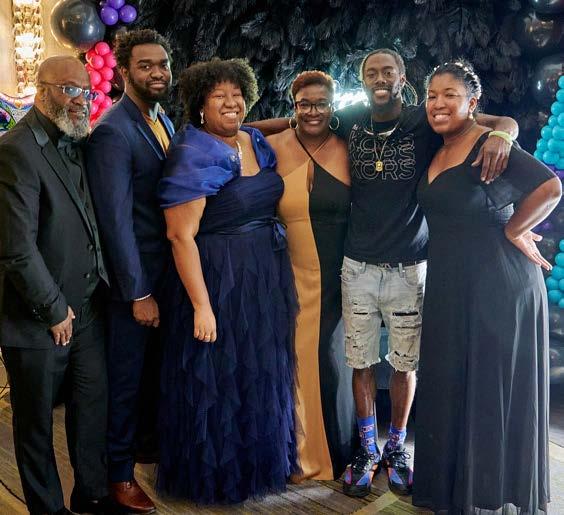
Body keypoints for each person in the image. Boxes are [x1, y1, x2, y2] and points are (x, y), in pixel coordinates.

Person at [332, 49, 518, 498]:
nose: (380, 78)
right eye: (371, 72)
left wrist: (503, 136)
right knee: (360, 361)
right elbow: (297, 121)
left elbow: (499, 121)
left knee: (404, 363)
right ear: (363, 79)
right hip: (357, 265)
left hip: (410, 267)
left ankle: (396, 447)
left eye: (388, 72)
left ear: (402, 78)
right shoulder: (350, 119)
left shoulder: (424, 120)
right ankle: (367, 449)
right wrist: (238, 129)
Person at [413, 60, 560, 514]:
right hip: (452, 280)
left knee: (488, 389)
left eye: (450, 95)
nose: (438, 103)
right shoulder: (438, 144)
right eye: (432, 95)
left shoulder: (486, 144)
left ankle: (491, 492)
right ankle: (456, 488)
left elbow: (551, 187)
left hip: (497, 283)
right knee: (454, 383)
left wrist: (516, 228)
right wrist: (505, 128)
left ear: (472, 102)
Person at [156, 57, 298, 504]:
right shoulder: (193, 153)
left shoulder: (252, 139)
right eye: (219, 95)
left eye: (237, 94)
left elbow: (266, 126)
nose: (230, 102)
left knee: (258, 369)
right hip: (218, 278)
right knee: (218, 376)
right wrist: (202, 305)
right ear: (200, 104)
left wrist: (296, 118)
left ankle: (257, 466)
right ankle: (217, 478)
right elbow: (179, 236)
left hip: (263, 275)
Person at [0, 56, 110, 515]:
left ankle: (92, 495)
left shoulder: (76, 139)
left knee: (92, 407)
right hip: (37, 319)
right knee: (36, 426)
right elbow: (16, 248)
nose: (80, 100)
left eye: (86, 91)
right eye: (69, 89)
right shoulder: (15, 150)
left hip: (86, 310)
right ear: (41, 91)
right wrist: (53, 308)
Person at [85, 29, 174, 514]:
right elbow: (115, 222)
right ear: (123, 72)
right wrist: (138, 292)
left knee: (151, 375)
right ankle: (118, 475)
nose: (157, 72)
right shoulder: (112, 132)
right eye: (145, 65)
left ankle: (144, 447)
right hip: (132, 285)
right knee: (124, 381)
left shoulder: (161, 119)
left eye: (163, 64)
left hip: (165, 275)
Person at [266, 70, 355, 481]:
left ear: (333, 106)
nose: (313, 111)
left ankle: (337, 452)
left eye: (321, 103)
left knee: (333, 361)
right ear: (293, 106)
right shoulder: (272, 146)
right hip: (288, 272)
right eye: (304, 104)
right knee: (295, 359)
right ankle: (298, 455)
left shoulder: (349, 145)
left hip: (341, 274)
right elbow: (238, 129)